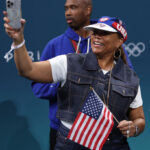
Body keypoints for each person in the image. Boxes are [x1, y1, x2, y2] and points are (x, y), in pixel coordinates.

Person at [4, 13, 145, 150]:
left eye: (104, 33)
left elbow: (139, 119)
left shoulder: (131, 79)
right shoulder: (69, 63)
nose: (96, 36)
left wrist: (135, 127)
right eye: (95, 31)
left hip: (114, 144)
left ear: (120, 40)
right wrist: (18, 40)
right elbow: (27, 70)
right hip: (72, 144)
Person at [31, 0, 132, 149]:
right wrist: (66, 83)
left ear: (88, 9)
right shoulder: (55, 45)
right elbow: (38, 87)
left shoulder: (108, 42)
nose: (68, 12)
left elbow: (127, 82)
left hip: (104, 130)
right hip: (64, 131)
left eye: (73, 7)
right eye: (66, 8)